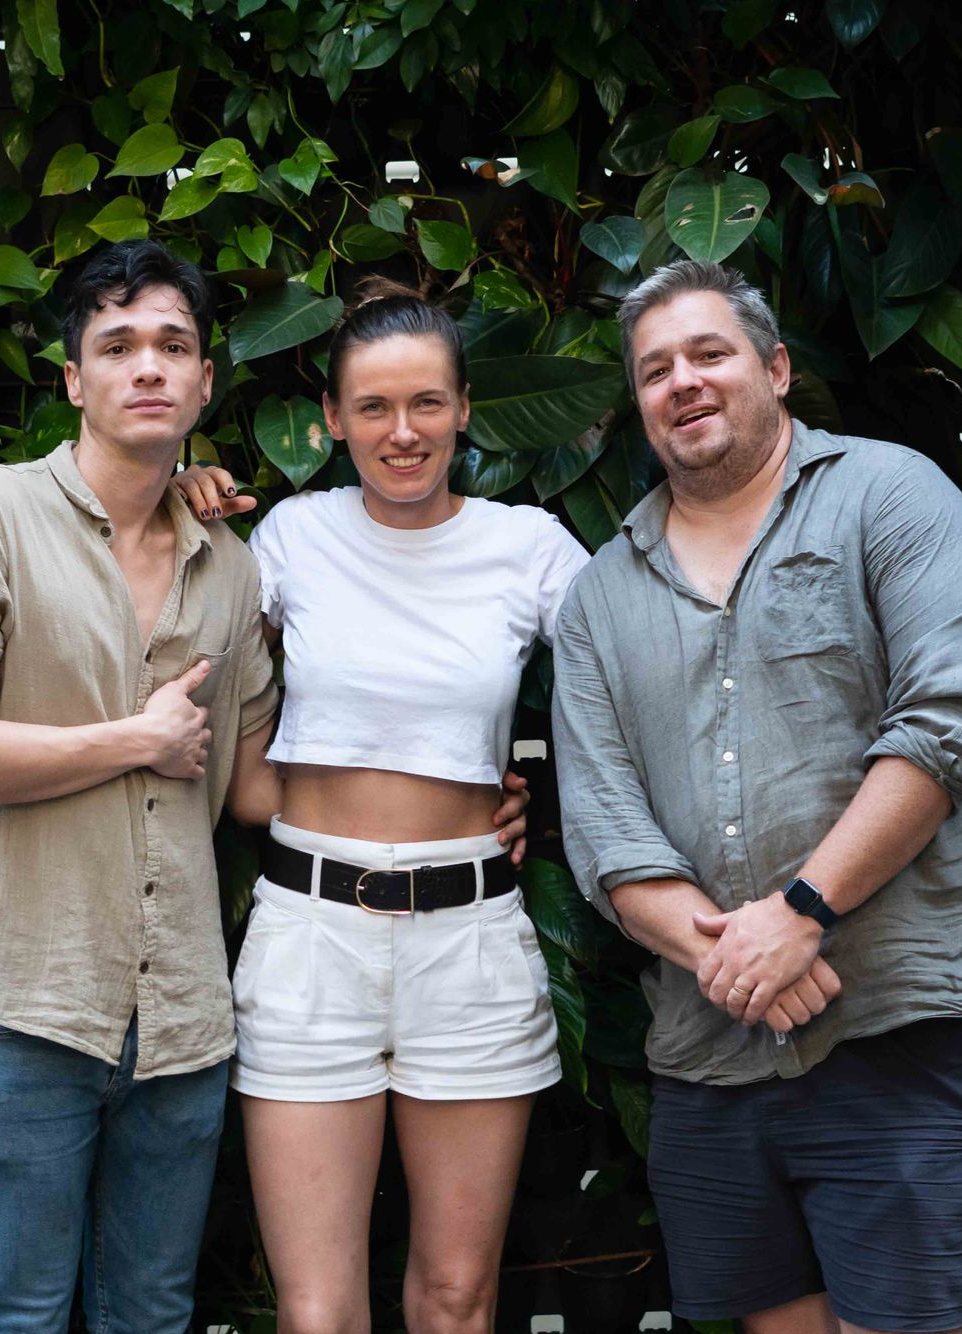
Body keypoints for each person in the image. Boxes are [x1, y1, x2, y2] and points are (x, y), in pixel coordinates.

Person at [552, 258, 962, 1334]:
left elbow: (948, 723)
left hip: (898, 1028)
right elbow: (603, 825)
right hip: (711, 1056)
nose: (683, 381)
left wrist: (800, 913)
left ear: (774, 368)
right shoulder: (597, 595)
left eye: (708, 353)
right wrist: (741, 954)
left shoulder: (888, 494)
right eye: (655, 368)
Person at [170, 278, 588, 1334]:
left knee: (456, 1297)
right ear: (331, 420)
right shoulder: (290, 538)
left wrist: (552, 794)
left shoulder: (527, 545)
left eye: (425, 405)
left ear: (462, 409)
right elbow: (166, 618)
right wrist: (175, 488)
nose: (400, 433)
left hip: (472, 941)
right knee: (316, 1312)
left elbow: (639, 673)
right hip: (311, 932)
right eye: (371, 408)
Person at [0, 240, 284, 1334]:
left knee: (150, 1313)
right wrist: (134, 739)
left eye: (172, 344)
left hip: (184, 1020)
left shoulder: (230, 562)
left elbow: (251, 791)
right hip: (26, 1001)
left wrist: (449, 808)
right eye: (116, 345)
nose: (146, 366)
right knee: (16, 1313)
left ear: (204, 381)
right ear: (73, 379)